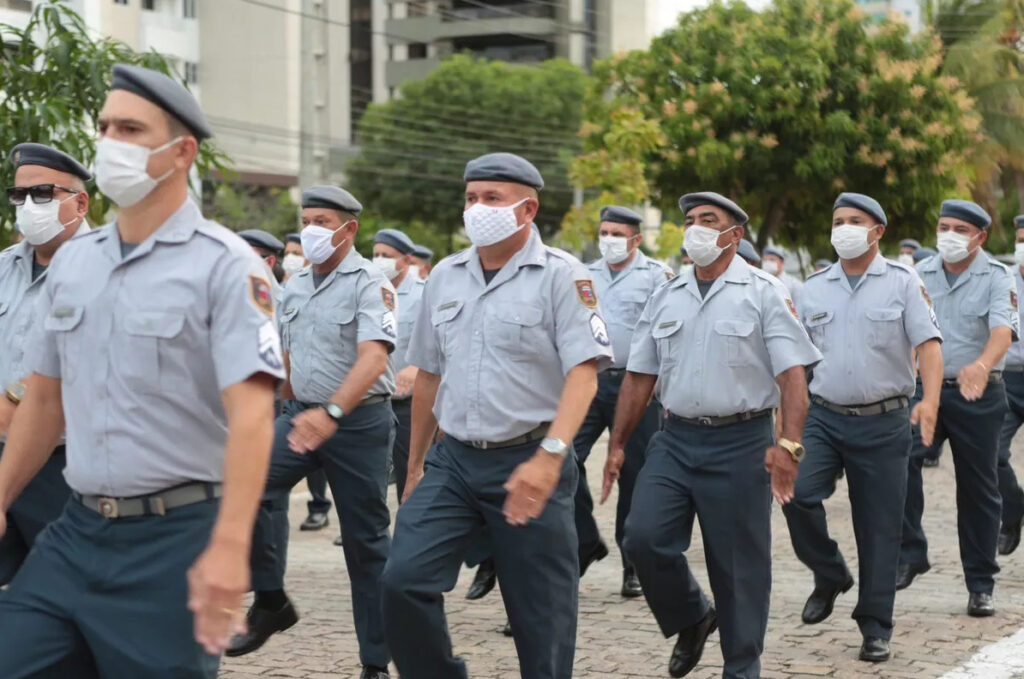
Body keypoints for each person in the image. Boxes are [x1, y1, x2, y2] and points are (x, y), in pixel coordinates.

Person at [0, 64, 284, 678]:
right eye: (103, 127)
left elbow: (253, 417)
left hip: (174, 539)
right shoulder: (77, 266)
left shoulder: (227, 268)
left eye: (130, 128)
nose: (109, 142)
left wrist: (231, 549)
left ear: (180, 151)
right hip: (74, 533)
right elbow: (43, 402)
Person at [380, 152, 613, 679]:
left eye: (491, 198)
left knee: (541, 618)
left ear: (527, 209)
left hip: (531, 456)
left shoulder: (562, 276)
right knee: (403, 581)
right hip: (454, 461)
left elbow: (585, 373)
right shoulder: (445, 275)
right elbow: (429, 376)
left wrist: (553, 455)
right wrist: (416, 465)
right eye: (470, 198)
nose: (476, 208)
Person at [612, 192, 821, 679]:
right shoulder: (666, 293)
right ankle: (691, 616)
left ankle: (741, 668)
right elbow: (640, 375)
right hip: (675, 439)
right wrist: (618, 443)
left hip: (742, 442)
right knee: (642, 538)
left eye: (709, 220)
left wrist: (789, 445)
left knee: (738, 570)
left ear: (735, 234)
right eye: (690, 221)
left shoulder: (764, 291)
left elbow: (794, 378)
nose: (696, 229)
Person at [227, 186, 396, 679]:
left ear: (349, 228)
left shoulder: (370, 282)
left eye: (323, 220)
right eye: (307, 220)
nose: (311, 230)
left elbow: (375, 356)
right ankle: (272, 600)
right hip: (299, 415)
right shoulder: (295, 285)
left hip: (359, 423)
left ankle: (375, 662)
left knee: (366, 544)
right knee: (244, 485)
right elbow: (281, 359)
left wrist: (335, 413)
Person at [782, 193, 942, 663]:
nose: (843, 228)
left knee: (878, 528)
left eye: (855, 221)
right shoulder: (813, 288)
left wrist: (930, 401)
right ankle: (830, 573)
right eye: (838, 221)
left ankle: (875, 626)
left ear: (877, 232)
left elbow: (929, 347)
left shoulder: (903, 282)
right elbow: (796, 361)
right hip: (824, 418)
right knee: (796, 493)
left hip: (885, 421)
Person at [898, 200, 1017, 619]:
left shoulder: (998, 277)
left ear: (980, 237)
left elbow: (1003, 330)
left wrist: (982, 365)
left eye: (958, 230)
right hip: (923, 390)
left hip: (977, 396)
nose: (947, 235)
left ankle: (980, 584)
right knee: (900, 461)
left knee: (978, 489)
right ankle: (911, 550)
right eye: (943, 226)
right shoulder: (918, 274)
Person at [0, 143, 91, 585]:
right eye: (19, 197)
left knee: (67, 594)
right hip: (2, 455)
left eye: (43, 195)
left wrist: (15, 397)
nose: (28, 207)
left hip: (65, 466)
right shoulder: (3, 268)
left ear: (80, 201)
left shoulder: (105, 268)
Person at [571, 204, 670, 598]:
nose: (608, 239)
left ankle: (632, 566)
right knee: (563, 458)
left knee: (634, 473)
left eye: (616, 233)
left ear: (636, 239)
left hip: (637, 386)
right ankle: (585, 540)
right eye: (604, 232)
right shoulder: (584, 275)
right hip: (589, 382)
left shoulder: (657, 277)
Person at [238, 230, 333, 534]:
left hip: (275, 400)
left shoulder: (282, 298)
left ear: (268, 261)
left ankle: (270, 572)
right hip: (238, 402)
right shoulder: (229, 296)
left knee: (270, 492)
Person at [372, 227, 426, 502]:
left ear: (405, 260)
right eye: (376, 254)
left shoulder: (422, 295)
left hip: (408, 402)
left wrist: (417, 368)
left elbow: (435, 344)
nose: (379, 260)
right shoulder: (369, 290)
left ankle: (408, 529)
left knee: (408, 473)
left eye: (386, 255)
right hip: (373, 399)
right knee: (372, 472)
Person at [996, 214, 1024, 555]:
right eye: (1020, 240)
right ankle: (1013, 509)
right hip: (1007, 380)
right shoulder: (1001, 280)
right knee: (992, 455)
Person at [762, 245, 805, 310]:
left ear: (782, 262)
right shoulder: (761, 282)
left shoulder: (794, 285)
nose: (768, 263)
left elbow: (800, 310)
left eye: (772, 260)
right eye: (765, 260)